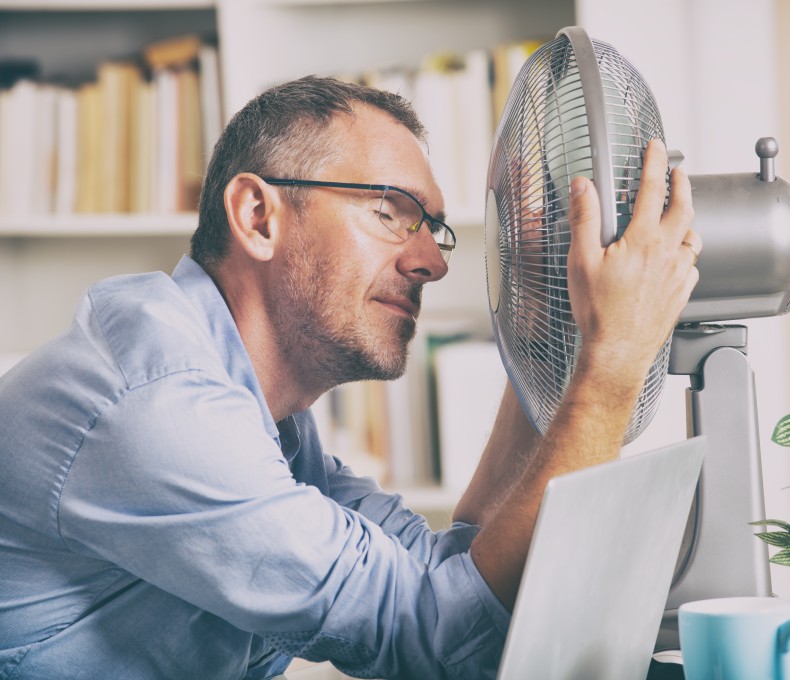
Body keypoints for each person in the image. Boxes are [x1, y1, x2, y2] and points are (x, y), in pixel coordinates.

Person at [0, 75, 699, 679]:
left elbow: (452, 578)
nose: (433, 260)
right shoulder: (160, 409)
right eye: (392, 213)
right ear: (256, 216)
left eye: (433, 227)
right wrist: (610, 364)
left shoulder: (266, 421)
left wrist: (559, 336)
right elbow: (439, 639)